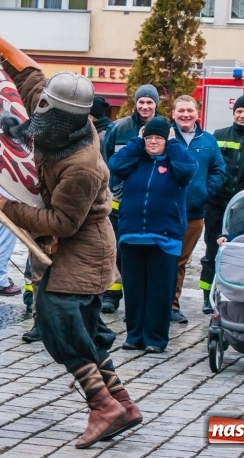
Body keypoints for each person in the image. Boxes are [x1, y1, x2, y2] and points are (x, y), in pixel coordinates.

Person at [0, 27, 142, 449]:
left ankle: (102, 406)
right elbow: (26, 71)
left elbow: (61, 222)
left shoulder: (82, 163)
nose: (39, 114)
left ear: (70, 119)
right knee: (87, 328)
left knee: (58, 322)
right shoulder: (53, 109)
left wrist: (5, 207)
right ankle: (122, 402)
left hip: (83, 249)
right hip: (71, 248)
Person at [109, 117, 197, 353]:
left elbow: (189, 170)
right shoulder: (135, 159)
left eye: (158, 137)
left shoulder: (175, 161)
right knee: (134, 289)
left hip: (164, 238)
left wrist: (174, 143)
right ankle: (134, 335)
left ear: (167, 139)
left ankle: (155, 338)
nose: (153, 142)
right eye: (149, 137)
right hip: (132, 235)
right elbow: (115, 165)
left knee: (160, 291)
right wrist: (137, 142)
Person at [200, 94, 244, 313]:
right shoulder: (218, 136)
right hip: (217, 205)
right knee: (212, 250)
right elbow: (209, 167)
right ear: (234, 113)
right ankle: (207, 297)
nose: (242, 115)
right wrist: (210, 193)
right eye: (239, 111)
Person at [100, 84, 159, 314]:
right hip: (118, 201)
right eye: (141, 102)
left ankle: (140, 298)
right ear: (135, 103)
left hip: (147, 202)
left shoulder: (163, 129)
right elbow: (106, 160)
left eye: (149, 102)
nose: (145, 106)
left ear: (156, 104)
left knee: (141, 250)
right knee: (114, 249)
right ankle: (111, 295)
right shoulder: (120, 127)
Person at [169, 95, 226, 324]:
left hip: (193, 213)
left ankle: (172, 305)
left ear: (197, 113)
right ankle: (154, 304)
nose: (185, 115)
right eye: (181, 110)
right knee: (162, 258)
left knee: (180, 261)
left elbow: (219, 170)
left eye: (189, 110)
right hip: (165, 210)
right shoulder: (166, 137)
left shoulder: (208, 141)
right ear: (173, 113)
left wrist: (204, 192)